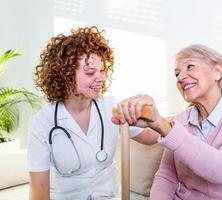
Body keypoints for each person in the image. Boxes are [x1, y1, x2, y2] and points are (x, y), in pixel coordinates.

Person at [112, 44, 222, 199]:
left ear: (218, 71)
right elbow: (166, 177)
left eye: (190, 67)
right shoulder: (181, 120)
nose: (180, 78)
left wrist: (163, 126)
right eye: (176, 73)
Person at [27, 26, 158, 200]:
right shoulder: (42, 122)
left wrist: (161, 117)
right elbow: (39, 187)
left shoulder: (111, 107)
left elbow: (150, 137)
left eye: (102, 70)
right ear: (64, 76)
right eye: (90, 72)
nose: (101, 78)